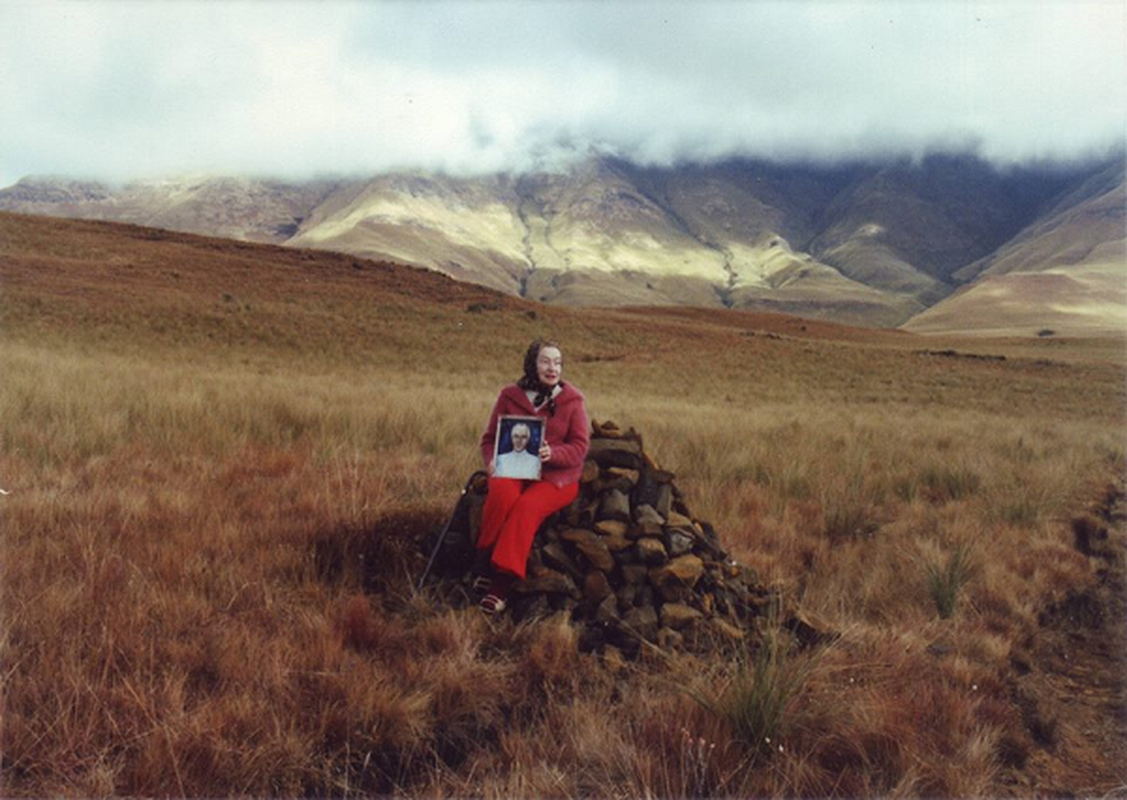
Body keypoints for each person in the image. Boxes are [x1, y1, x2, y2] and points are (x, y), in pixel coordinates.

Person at [475, 338, 590, 614]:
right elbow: (489, 439)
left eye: (558, 362)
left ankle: (500, 584)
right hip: (514, 469)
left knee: (526, 508)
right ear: (532, 364)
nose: (553, 368)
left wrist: (555, 454)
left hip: (557, 479)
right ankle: (485, 560)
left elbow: (580, 446)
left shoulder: (573, 400)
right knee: (502, 496)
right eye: (546, 361)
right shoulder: (510, 396)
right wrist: (492, 462)